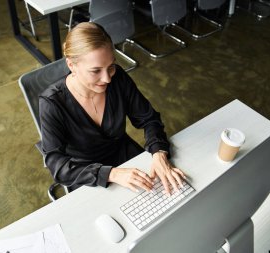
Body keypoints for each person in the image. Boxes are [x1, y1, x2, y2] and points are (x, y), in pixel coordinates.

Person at [39, 22, 186, 195]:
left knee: (169, 194)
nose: (107, 79)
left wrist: (158, 152)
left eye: (111, 67)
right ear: (71, 65)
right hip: (85, 172)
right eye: (95, 71)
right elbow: (58, 165)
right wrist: (111, 173)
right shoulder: (51, 103)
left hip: (124, 154)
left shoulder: (119, 79)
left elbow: (149, 118)